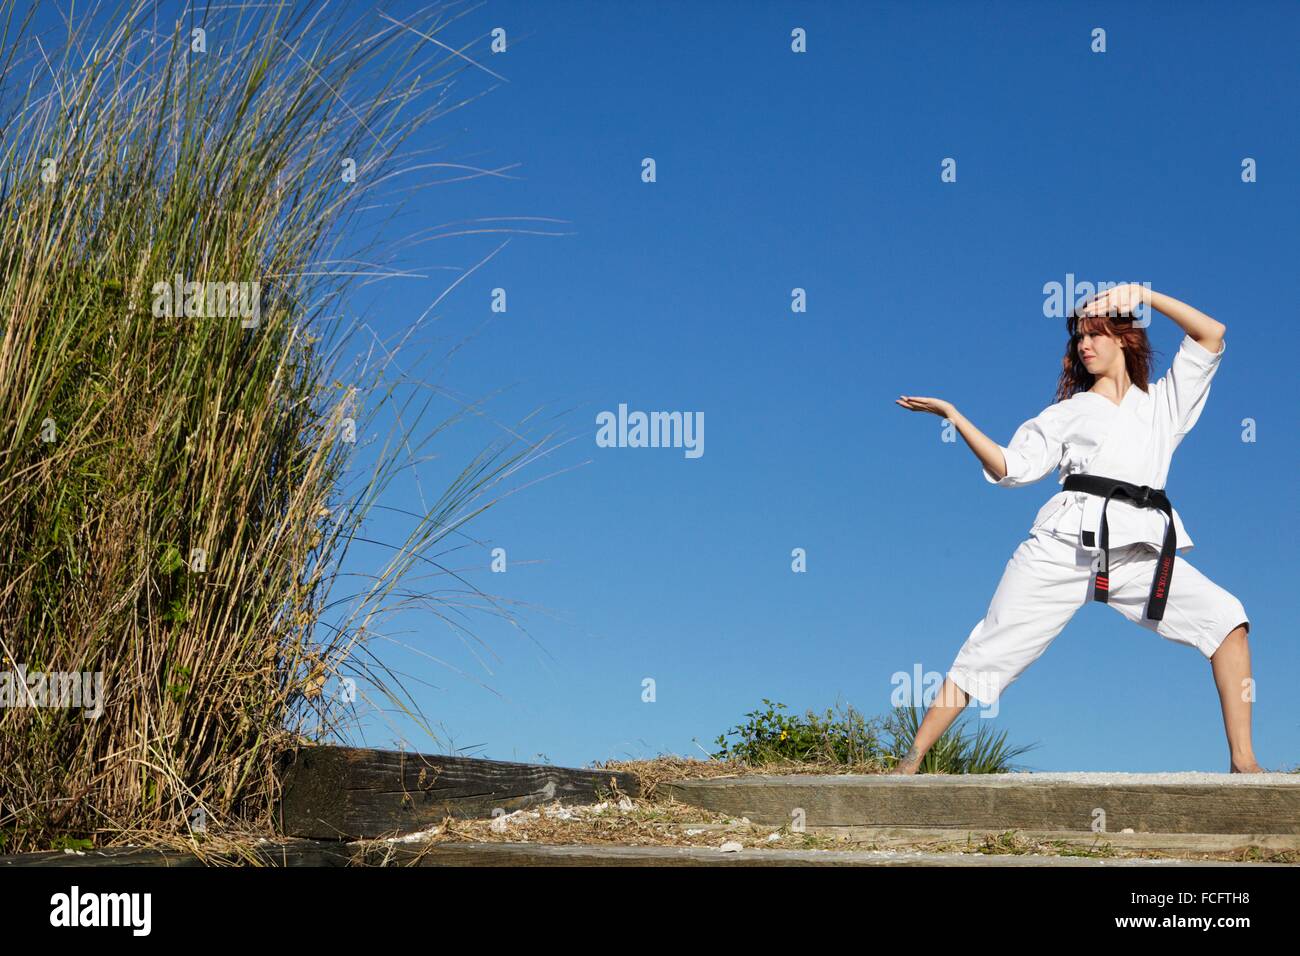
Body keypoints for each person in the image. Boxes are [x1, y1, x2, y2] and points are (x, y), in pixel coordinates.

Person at [892, 284, 1263, 774]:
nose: (1083, 345)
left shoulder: (1163, 405)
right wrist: (955, 417)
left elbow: (1211, 333)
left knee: (1227, 620)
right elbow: (1009, 467)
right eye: (1078, 338)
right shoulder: (1066, 413)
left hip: (1138, 549)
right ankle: (910, 760)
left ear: (1124, 339)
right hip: (1062, 547)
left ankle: (1244, 764)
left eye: (1095, 334)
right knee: (992, 645)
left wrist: (1143, 295)